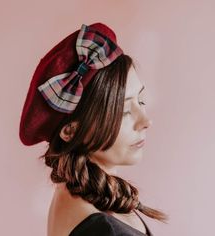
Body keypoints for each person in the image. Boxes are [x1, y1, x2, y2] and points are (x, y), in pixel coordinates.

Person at [19, 22, 169, 236]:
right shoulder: (101, 227)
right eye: (124, 111)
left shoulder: (79, 195)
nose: (145, 121)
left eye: (141, 101)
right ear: (70, 131)